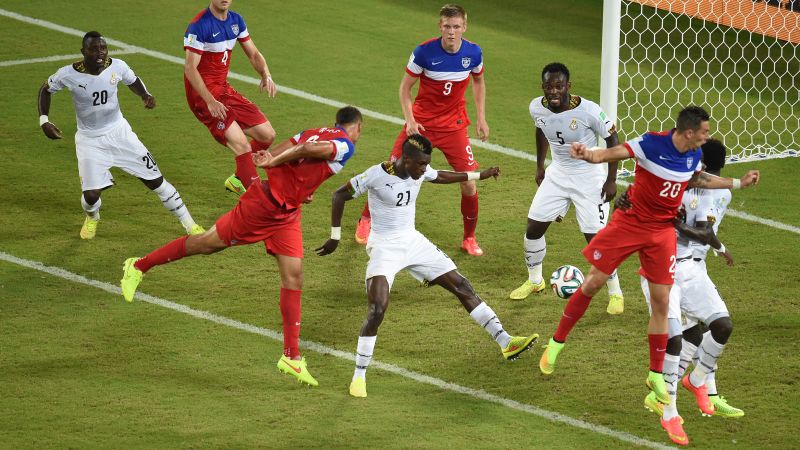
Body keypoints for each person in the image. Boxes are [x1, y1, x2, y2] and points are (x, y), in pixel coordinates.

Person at [536, 106, 760, 445]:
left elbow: (697, 177)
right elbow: (608, 153)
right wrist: (587, 153)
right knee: (594, 281)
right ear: (688, 132)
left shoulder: (694, 154)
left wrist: (737, 183)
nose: (706, 136)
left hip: (660, 235)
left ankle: (657, 378)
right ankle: (556, 344)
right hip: (629, 224)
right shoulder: (650, 145)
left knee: (661, 302)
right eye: (703, 131)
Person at [120, 106, 364, 387]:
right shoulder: (345, 145)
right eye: (360, 131)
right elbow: (302, 151)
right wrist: (273, 164)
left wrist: (276, 162)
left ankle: (291, 357)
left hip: (287, 213)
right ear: (356, 127)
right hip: (262, 208)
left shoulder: (317, 130)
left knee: (294, 278)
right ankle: (139, 265)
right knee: (206, 244)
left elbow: (294, 145)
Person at [317, 134, 538, 398]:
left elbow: (441, 176)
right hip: (384, 247)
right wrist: (335, 237)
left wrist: (480, 175)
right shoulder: (376, 174)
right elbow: (339, 195)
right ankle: (359, 375)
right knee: (377, 309)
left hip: (412, 241)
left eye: (426, 165)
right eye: (421, 165)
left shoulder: (419, 171)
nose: (424, 170)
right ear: (405, 159)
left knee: (461, 285)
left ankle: (505, 342)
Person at [38, 31, 204, 240]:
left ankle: (191, 225)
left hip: (120, 134)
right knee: (90, 196)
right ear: (83, 52)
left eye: (103, 48)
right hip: (90, 140)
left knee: (156, 181)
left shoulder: (117, 66)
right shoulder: (67, 74)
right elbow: (45, 90)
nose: (100, 53)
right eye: (94, 49)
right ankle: (92, 217)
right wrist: (44, 120)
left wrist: (145, 95)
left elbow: (133, 80)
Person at [354, 4, 490, 256]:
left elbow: (478, 81)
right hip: (421, 125)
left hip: (455, 127)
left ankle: (469, 238)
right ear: (440, 26)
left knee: (469, 182)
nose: (451, 32)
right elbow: (405, 89)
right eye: (447, 26)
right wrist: (410, 120)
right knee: (392, 170)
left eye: (456, 26)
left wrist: (481, 118)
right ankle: (366, 219)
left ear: (464, 27)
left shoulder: (474, 53)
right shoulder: (423, 53)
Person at [509, 63, 625, 315]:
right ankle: (535, 280)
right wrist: (540, 165)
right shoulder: (536, 107)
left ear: (568, 87)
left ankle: (615, 293)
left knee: (596, 241)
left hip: (589, 176)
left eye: (559, 86)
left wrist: (611, 179)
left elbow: (613, 140)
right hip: (558, 173)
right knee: (533, 228)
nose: (553, 91)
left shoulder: (590, 111)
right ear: (543, 87)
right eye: (549, 86)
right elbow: (540, 128)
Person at [183, 0, 278, 195]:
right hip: (203, 96)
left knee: (267, 135)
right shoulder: (199, 25)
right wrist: (209, 101)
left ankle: (239, 178)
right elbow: (190, 68)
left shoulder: (236, 20)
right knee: (242, 145)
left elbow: (253, 54)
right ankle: (257, 200)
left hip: (224, 90)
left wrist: (265, 73)